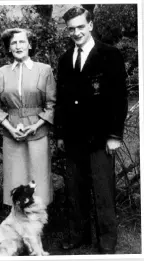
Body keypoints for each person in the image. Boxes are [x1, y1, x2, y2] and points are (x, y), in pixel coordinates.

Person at [54, 7, 128, 254]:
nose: (76, 32)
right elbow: (62, 100)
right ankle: (79, 235)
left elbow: (119, 98)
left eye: (80, 27)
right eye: (71, 28)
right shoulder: (65, 59)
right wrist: (61, 134)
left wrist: (115, 135)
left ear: (91, 25)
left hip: (100, 137)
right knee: (74, 190)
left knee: (103, 191)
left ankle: (107, 241)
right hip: (74, 138)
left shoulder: (110, 54)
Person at [0, 28, 56, 207]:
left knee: (38, 179)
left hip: (38, 133)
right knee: (15, 179)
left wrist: (35, 126)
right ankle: (17, 226)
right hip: (12, 135)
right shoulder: (2, 73)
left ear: (30, 44)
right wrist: (10, 128)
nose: (18, 46)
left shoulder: (44, 70)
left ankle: (37, 227)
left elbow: (52, 104)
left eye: (21, 41)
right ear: (9, 48)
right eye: (13, 43)